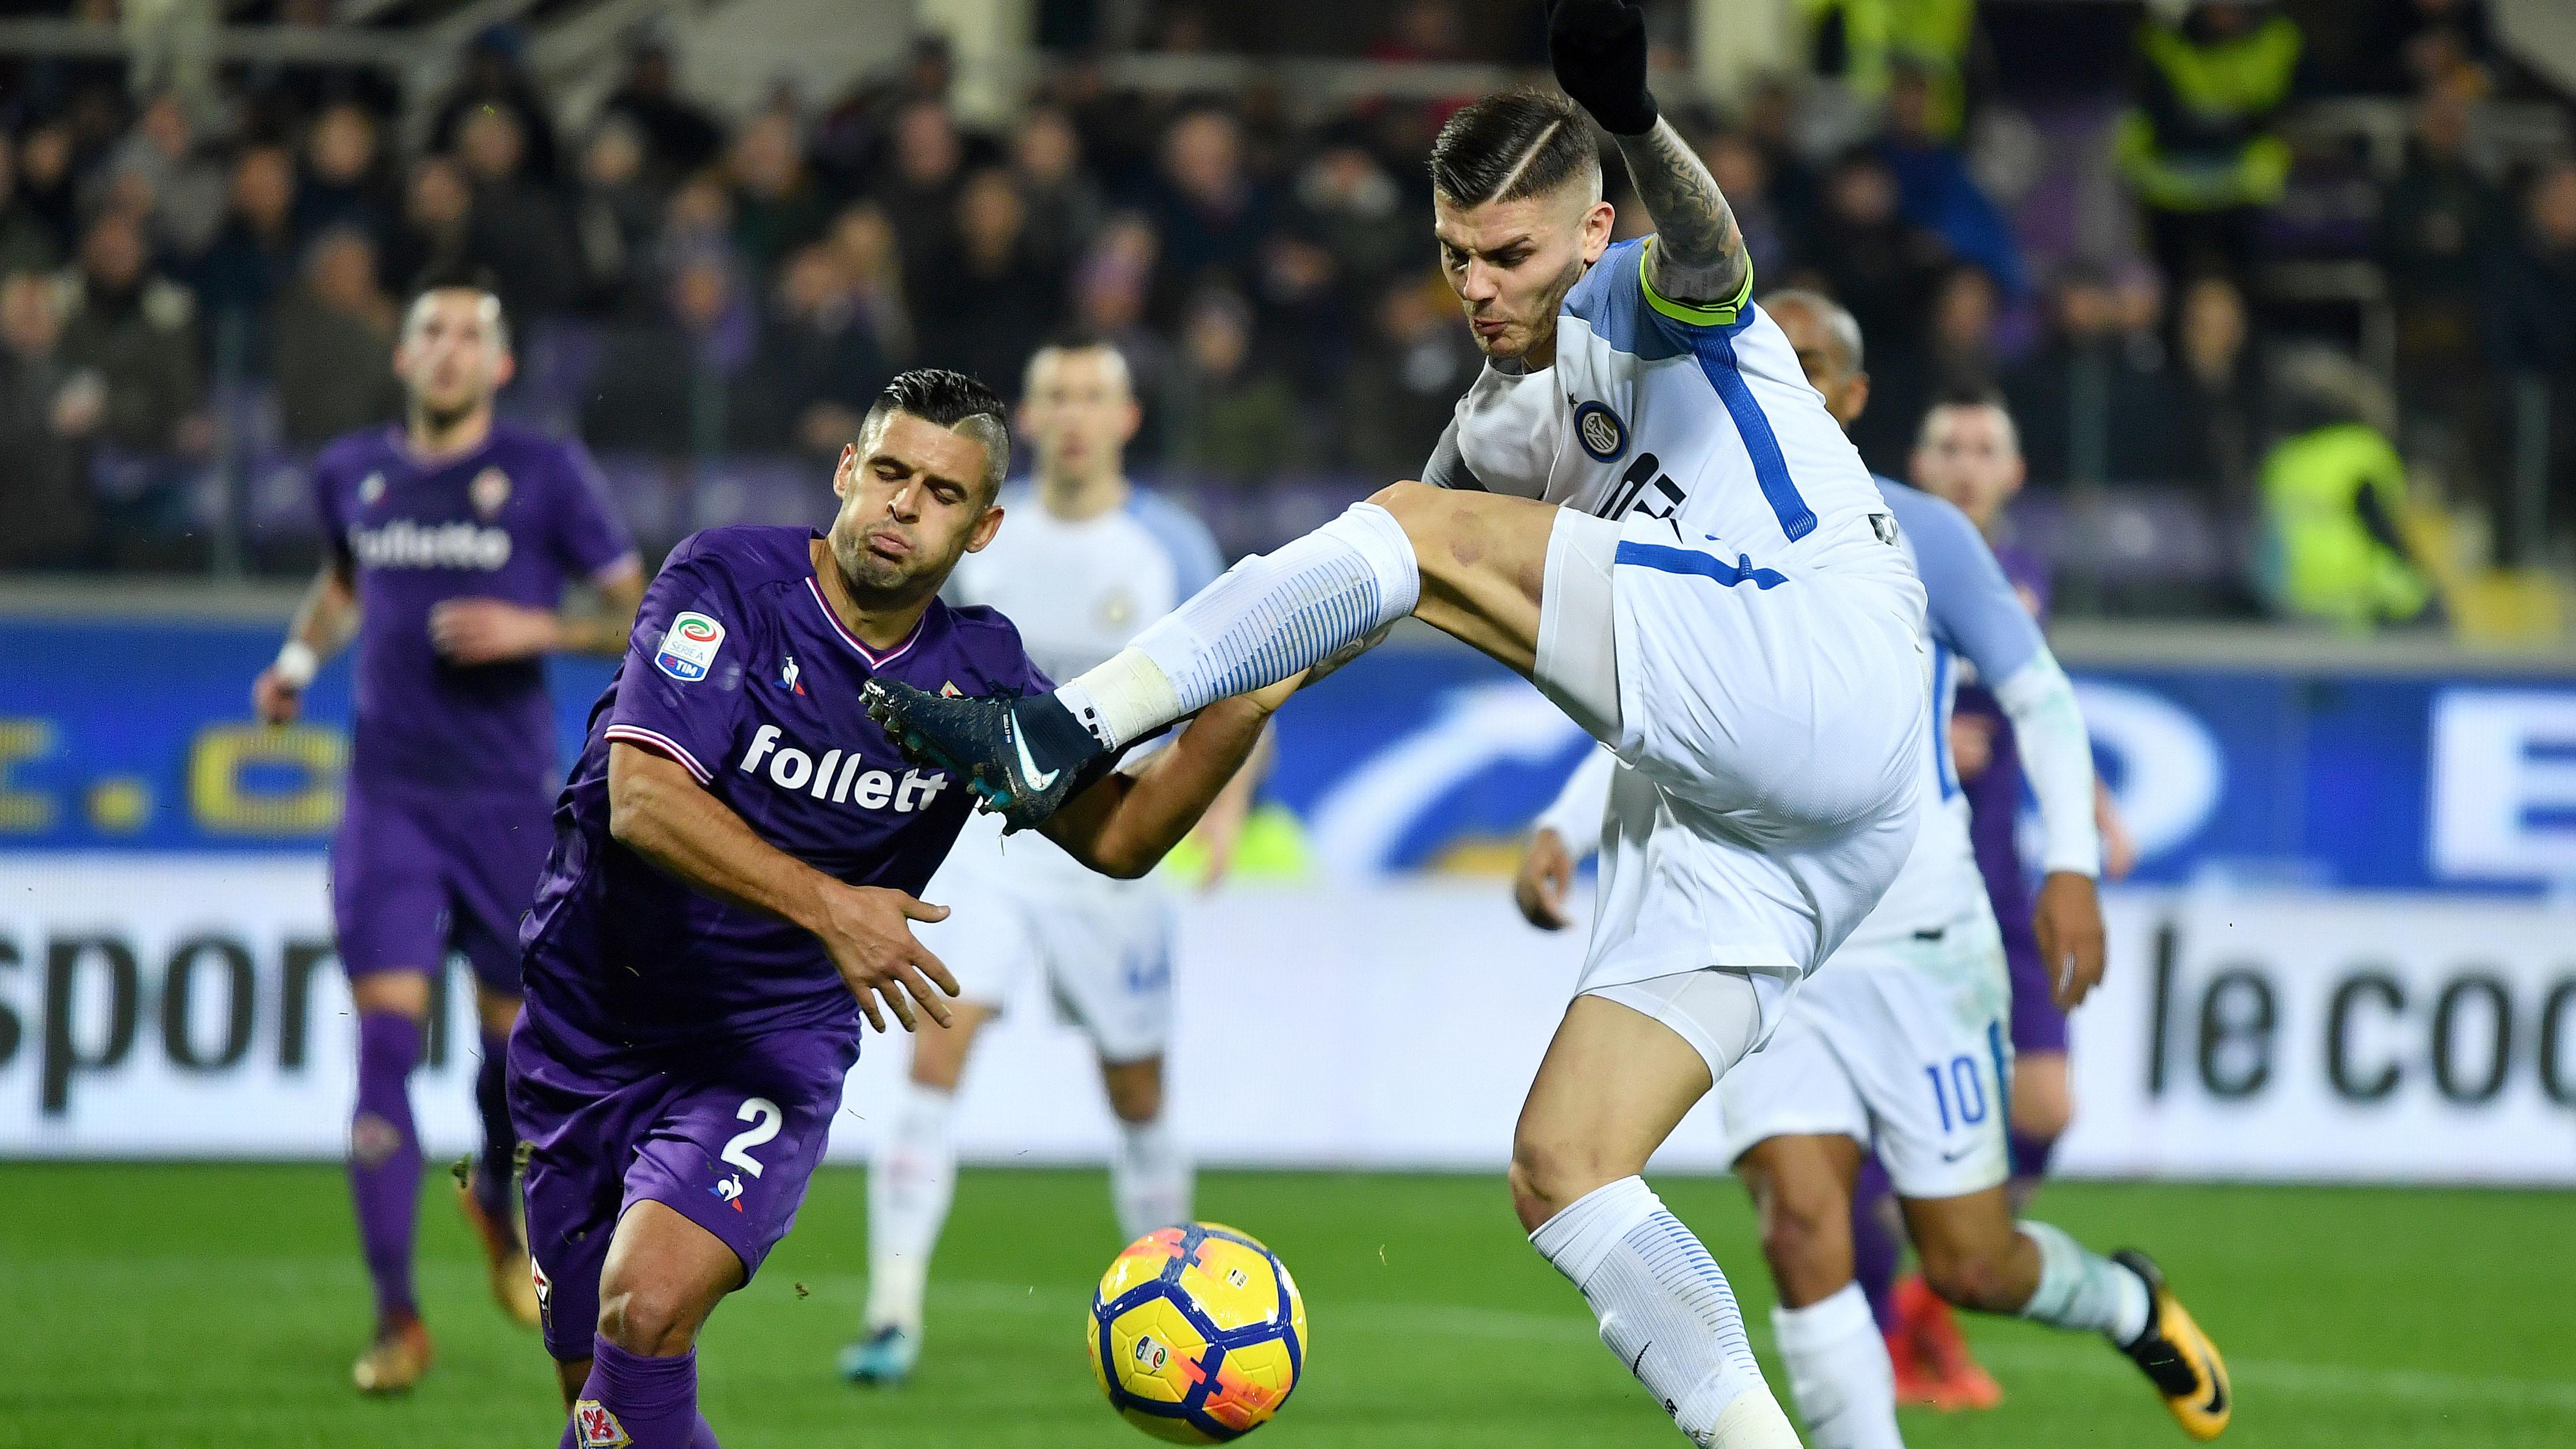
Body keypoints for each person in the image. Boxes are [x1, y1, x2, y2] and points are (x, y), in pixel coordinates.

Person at [870, 6, 1941, 1440]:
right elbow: (1321, 624)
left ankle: (1061, 721)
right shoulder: (1491, 434)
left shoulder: (1643, 298)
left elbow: (1712, 250)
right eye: (1456, 256)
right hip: (1782, 828)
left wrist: (1636, 117)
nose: (1481, 289)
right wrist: (1137, 816)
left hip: (1825, 653)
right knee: (1566, 1167)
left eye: (1512, 254)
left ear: (1590, 231)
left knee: (1411, 530)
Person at [509, 368, 1288, 1448]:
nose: (904, 504)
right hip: (586, 1022)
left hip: (763, 1040)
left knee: (642, 1311)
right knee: (600, 1401)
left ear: (982, 529)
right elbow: (643, 801)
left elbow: (1120, 836)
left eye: (942, 492)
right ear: (847, 469)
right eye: (888, 472)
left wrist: (1245, 703)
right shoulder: (726, 582)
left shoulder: (980, 675)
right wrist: (833, 905)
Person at [1515, 300, 2222, 1447]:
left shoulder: (1915, 530)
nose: (1765, 377)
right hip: (1771, 937)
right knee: (1802, 1230)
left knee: (1971, 1262)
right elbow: (1662, 710)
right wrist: (1562, 820)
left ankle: (2123, 1301)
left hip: (1919, 941)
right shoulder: (1685, 522)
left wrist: (2072, 865)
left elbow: (2039, 694)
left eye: (1806, 363)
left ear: (1846, 398)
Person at [250, 283, 646, 1394]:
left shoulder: (544, 472)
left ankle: (494, 1200)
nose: (449, 349)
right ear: (403, 354)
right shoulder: (352, 472)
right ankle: (397, 1319)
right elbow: (344, 581)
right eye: (430, 330)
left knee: (515, 1054)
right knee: (382, 1045)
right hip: (387, 801)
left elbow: (635, 608)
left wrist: (536, 627)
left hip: (508, 804)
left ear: (501, 365)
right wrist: (295, 662)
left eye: (472, 334)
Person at [840, 339, 1248, 1386]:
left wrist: (1224, 809)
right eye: (1055, 396)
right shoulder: (981, 535)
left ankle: (1182, 1310)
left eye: (1092, 396)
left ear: (1126, 417)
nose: (1072, 415)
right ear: (1028, 416)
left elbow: (1239, 684)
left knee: (1137, 1088)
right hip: (984, 839)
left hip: (1109, 843)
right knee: (935, 1052)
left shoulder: (1168, 544)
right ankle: (890, 1311)